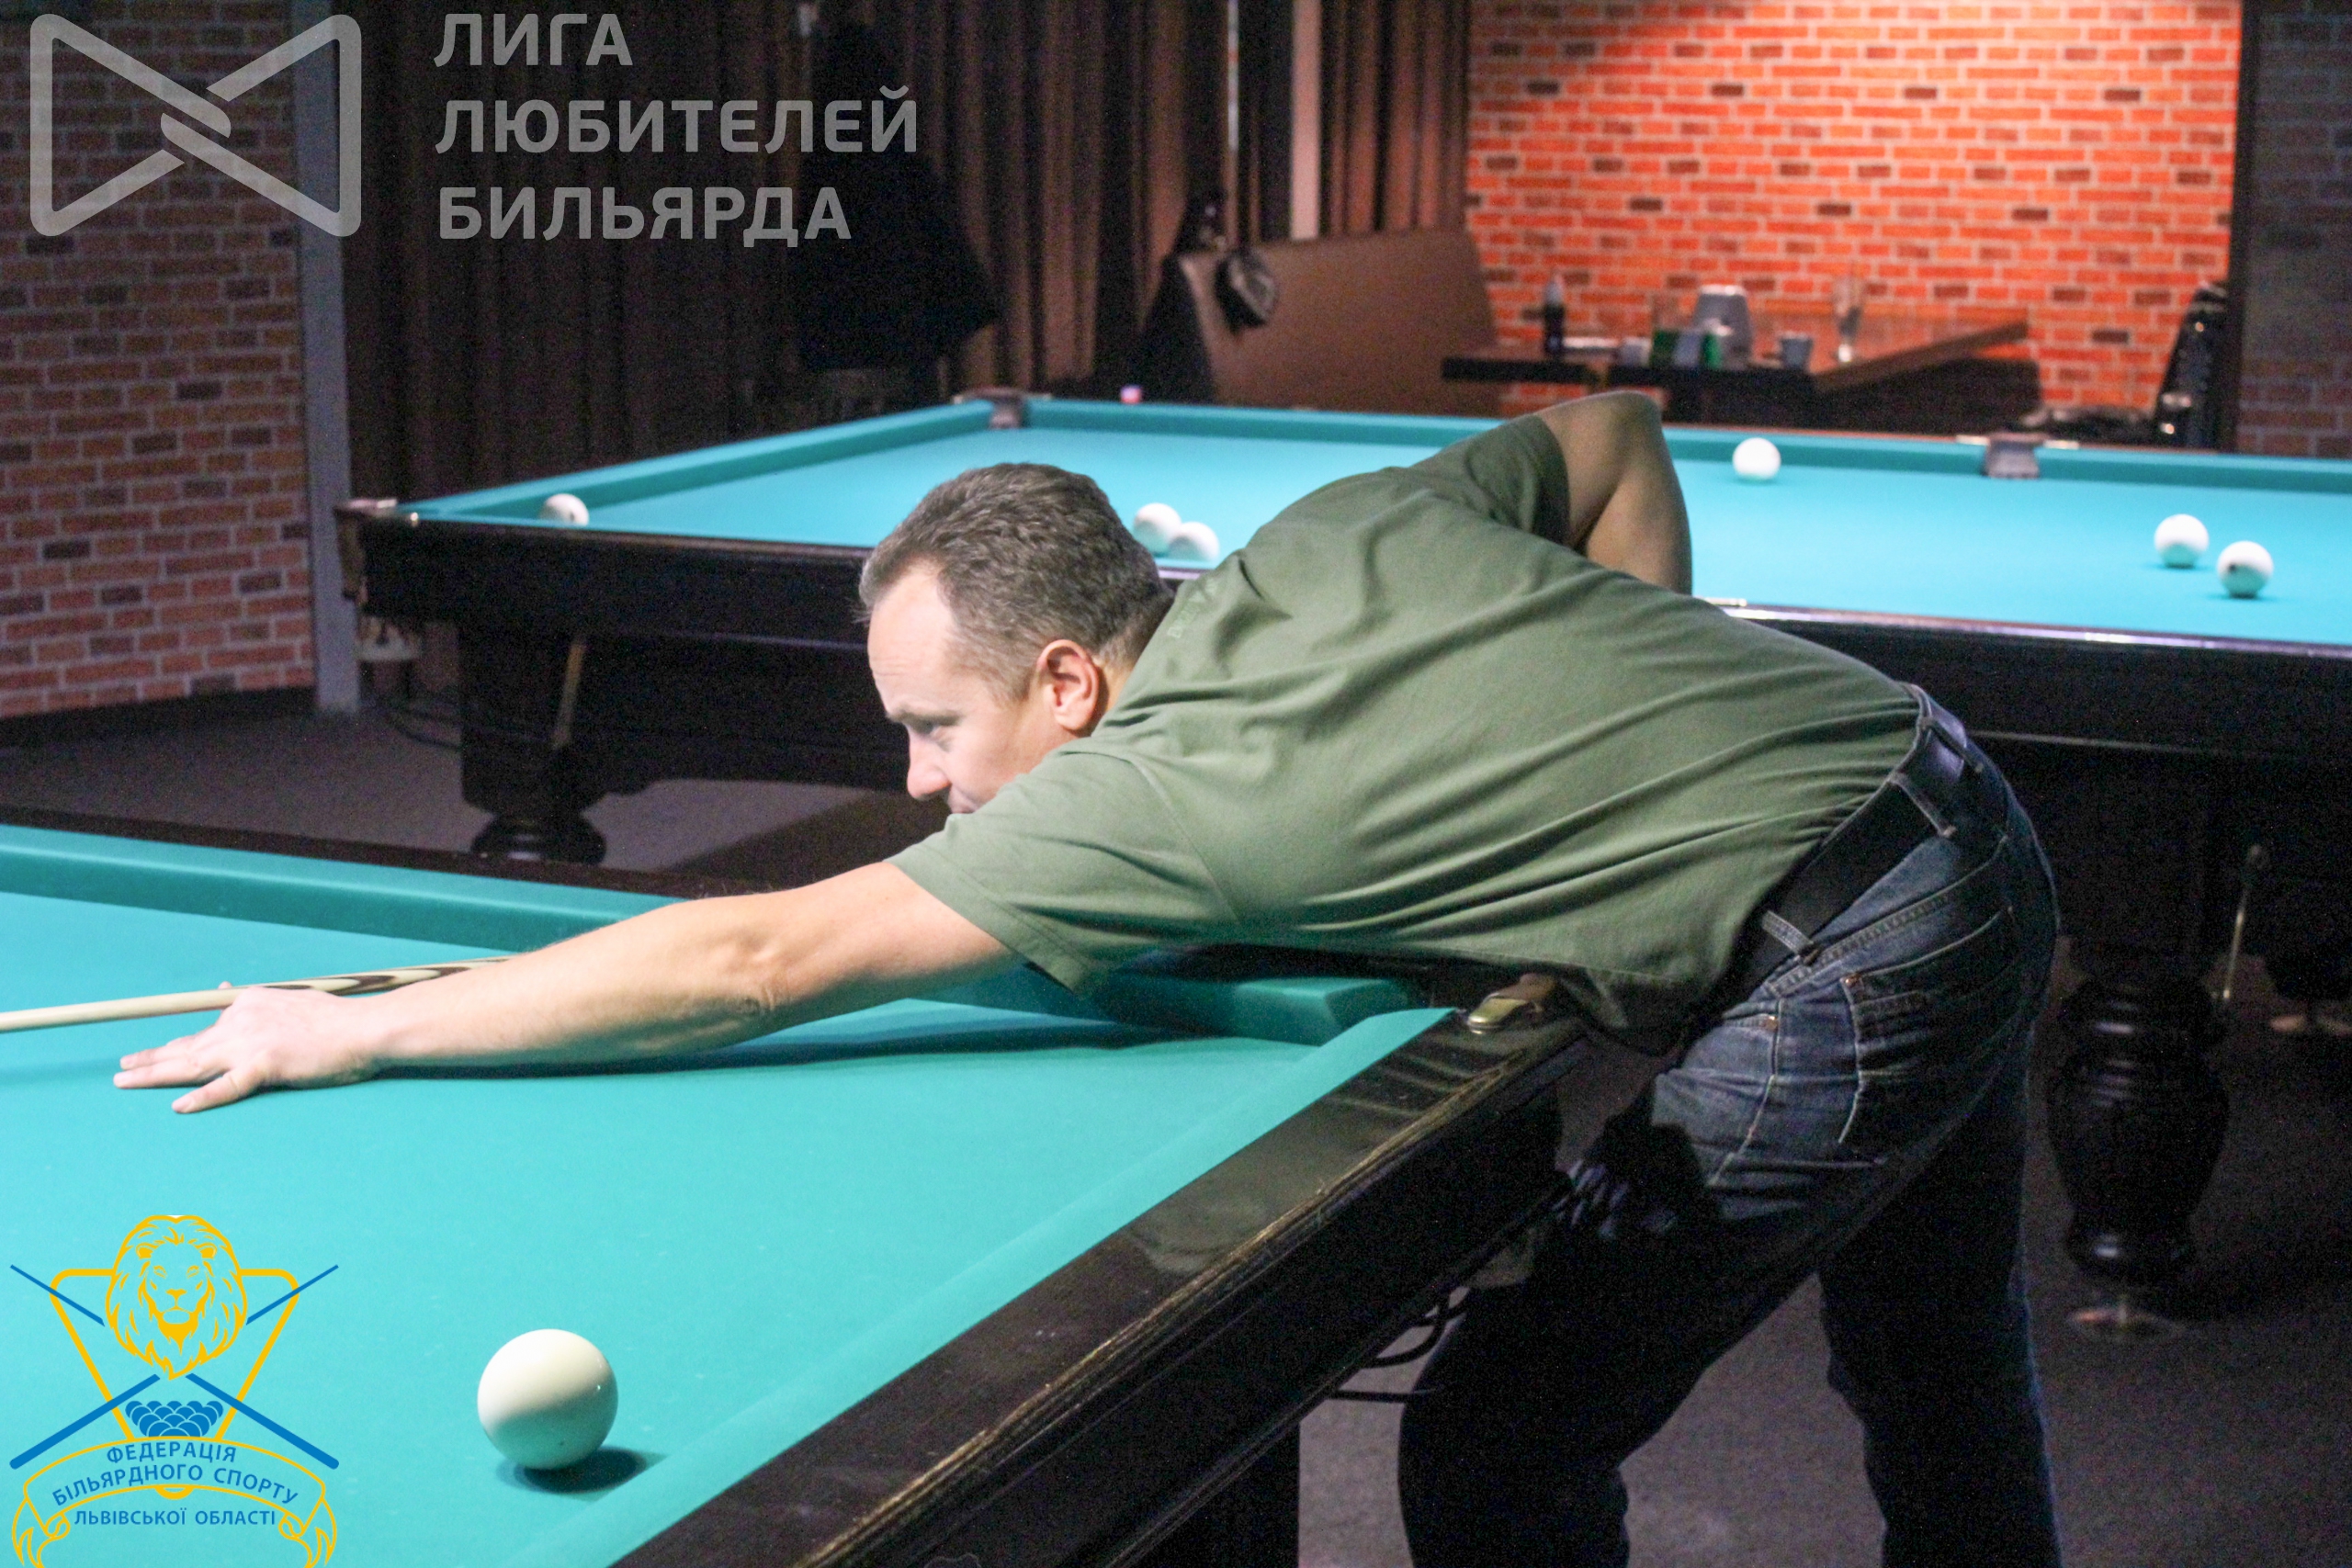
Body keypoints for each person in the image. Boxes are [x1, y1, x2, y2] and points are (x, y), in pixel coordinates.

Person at [117, 393, 2064, 1568]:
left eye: (932, 726)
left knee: (1495, 1439)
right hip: (1956, 796)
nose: (915, 780)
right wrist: (1615, 747)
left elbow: (758, 954)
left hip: (1860, 944)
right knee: (1938, 1355)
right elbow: (1616, 438)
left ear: (1068, 680)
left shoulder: (1144, 793)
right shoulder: (1334, 529)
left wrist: (357, 1029)